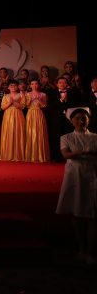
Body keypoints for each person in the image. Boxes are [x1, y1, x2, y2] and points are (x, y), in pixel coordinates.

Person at [56, 107, 97, 265]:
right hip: (75, 176)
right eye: (77, 118)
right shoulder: (66, 137)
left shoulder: (95, 137)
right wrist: (83, 153)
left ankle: (90, 251)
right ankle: (81, 248)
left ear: (88, 120)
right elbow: (66, 154)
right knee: (76, 210)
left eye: (83, 118)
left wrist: (80, 154)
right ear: (72, 121)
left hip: (93, 174)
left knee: (92, 213)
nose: (81, 121)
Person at [47, 76, 81, 161]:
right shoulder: (51, 93)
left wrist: (66, 101)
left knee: (68, 137)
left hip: (69, 119)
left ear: (67, 84)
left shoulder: (72, 93)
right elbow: (49, 106)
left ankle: (69, 156)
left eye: (64, 82)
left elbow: (76, 105)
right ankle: (56, 156)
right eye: (60, 82)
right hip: (56, 119)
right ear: (57, 84)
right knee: (56, 137)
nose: (62, 84)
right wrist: (61, 101)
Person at [0, 80, 26, 161]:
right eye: (11, 85)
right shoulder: (5, 96)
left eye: (15, 85)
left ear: (17, 87)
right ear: (8, 87)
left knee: (18, 132)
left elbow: (23, 106)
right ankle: (8, 153)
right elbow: (2, 107)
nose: (13, 87)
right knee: (8, 132)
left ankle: (18, 154)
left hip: (18, 115)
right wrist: (9, 103)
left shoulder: (21, 95)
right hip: (8, 115)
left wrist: (14, 102)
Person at [25, 79, 50, 162]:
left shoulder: (43, 94)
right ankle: (30, 155)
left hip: (39, 113)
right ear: (30, 85)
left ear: (38, 85)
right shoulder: (27, 94)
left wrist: (39, 100)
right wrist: (30, 100)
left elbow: (44, 105)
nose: (34, 85)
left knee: (40, 132)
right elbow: (26, 106)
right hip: (30, 113)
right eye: (32, 84)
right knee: (30, 132)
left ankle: (40, 155)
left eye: (36, 84)